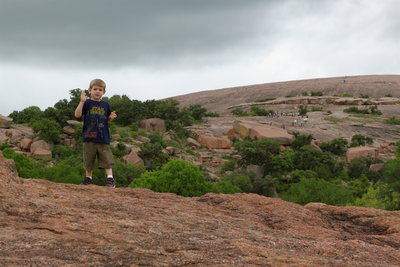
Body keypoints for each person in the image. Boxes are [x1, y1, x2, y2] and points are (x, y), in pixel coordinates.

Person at [74, 79, 117, 187]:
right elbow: (77, 115)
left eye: (100, 89)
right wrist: (81, 102)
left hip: (103, 137)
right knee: (89, 159)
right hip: (89, 136)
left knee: (107, 158)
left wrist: (110, 118)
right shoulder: (87, 103)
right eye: (95, 89)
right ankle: (88, 178)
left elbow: (105, 119)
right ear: (90, 90)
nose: (97, 91)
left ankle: (110, 180)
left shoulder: (105, 105)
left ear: (104, 92)